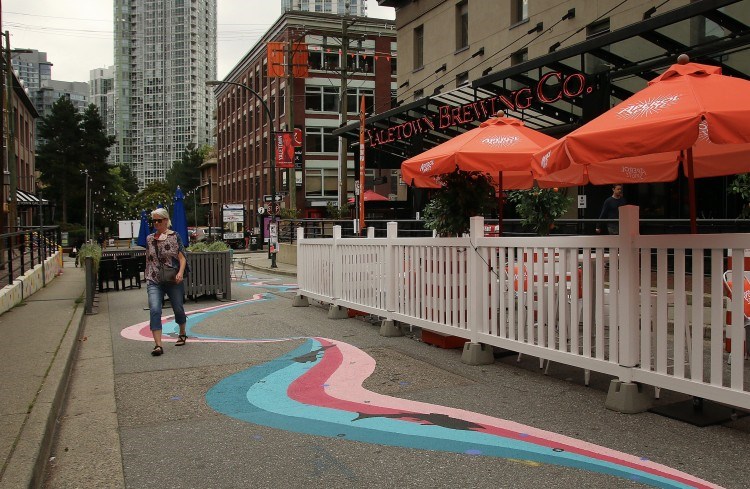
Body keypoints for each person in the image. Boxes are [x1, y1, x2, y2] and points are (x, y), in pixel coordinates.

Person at [145, 208, 188, 356]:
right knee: (155, 309)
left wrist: (180, 273)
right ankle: (158, 345)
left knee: (178, 308)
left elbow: (182, 258)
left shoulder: (175, 236)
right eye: (154, 220)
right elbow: (148, 259)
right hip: (154, 279)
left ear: (165, 220)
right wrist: (147, 275)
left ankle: (182, 332)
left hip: (172, 278)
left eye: (159, 220)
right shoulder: (150, 238)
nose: (156, 223)